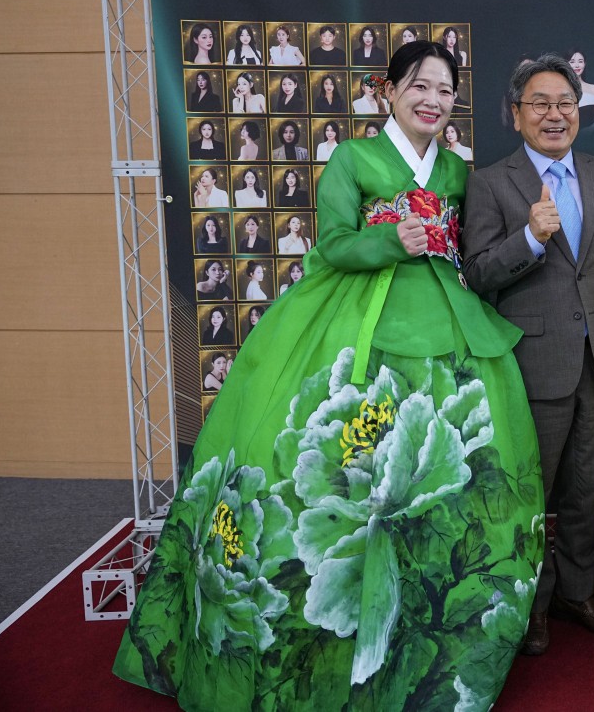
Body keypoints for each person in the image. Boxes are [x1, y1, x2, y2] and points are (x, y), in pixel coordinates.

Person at [117, 40, 544, 711]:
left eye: (445, 90)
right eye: (420, 86)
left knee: (454, 465)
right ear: (388, 92)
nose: (433, 100)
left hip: (445, 317)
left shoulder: (458, 172)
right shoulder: (352, 158)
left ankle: (433, 635)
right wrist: (389, 240)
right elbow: (333, 243)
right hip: (358, 314)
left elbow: (474, 247)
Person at [462, 53, 594, 657]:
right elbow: (478, 273)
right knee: (531, 491)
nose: (554, 114)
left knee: (588, 487)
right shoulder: (491, 183)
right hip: (534, 363)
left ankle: (578, 592)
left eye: (565, 102)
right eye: (539, 103)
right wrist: (530, 238)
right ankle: (531, 603)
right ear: (516, 115)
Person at [567, 49, 594, 124]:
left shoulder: (593, 89)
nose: (577, 65)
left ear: (584, 64)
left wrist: (590, 129)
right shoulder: (560, 89)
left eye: (580, 61)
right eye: (572, 62)